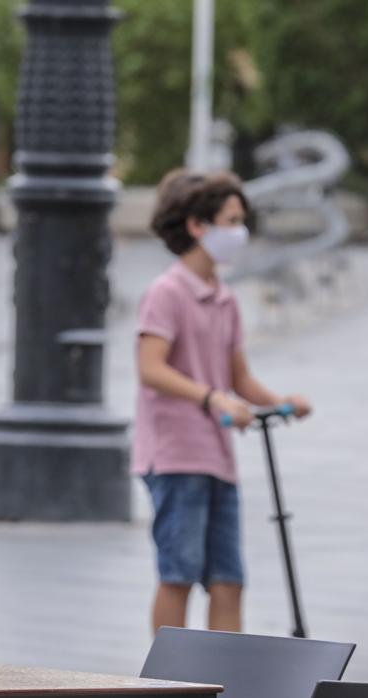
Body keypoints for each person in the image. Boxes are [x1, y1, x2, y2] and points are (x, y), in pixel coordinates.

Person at [131, 169, 312, 635]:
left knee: (229, 580)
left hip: (217, 457)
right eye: (231, 220)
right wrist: (213, 399)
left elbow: (239, 377)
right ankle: (165, 682)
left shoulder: (225, 299)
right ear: (198, 226)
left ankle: (223, 681)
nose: (240, 232)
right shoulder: (166, 292)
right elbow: (151, 368)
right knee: (179, 574)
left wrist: (280, 401)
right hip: (174, 456)